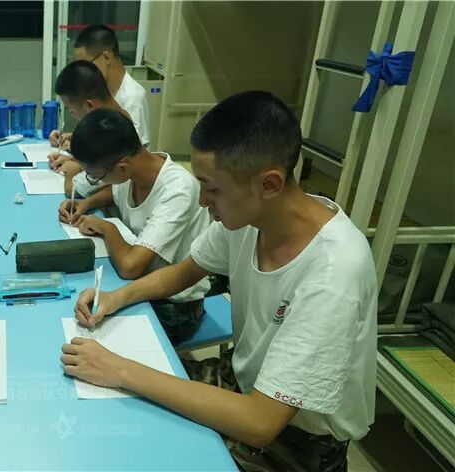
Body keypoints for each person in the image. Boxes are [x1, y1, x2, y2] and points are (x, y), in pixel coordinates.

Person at [60, 91, 377, 470]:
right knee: (113, 417)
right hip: (242, 382)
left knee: (144, 442)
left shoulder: (334, 272)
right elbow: (183, 272)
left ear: (269, 184)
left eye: (212, 189)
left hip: (295, 438)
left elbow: (260, 423)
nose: (202, 201)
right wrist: (117, 298)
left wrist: (120, 369)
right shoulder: (248, 217)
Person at [58, 108, 210, 344]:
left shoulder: (177, 190)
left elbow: (130, 267)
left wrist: (107, 228)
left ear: (121, 167)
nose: (96, 182)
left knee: (92, 335)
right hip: (141, 286)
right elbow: (114, 191)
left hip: (176, 307)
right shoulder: (134, 169)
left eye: (96, 177)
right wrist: (87, 203)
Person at [58, 24, 152, 197]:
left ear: (106, 57)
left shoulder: (132, 98)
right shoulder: (106, 91)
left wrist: (77, 168)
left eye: (86, 63)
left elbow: (126, 161)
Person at [48, 60, 147, 196]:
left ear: (89, 105)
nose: (74, 116)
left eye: (71, 111)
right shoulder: (121, 118)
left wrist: (72, 171)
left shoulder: (110, 134)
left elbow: (73, 188)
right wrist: (77, 161)